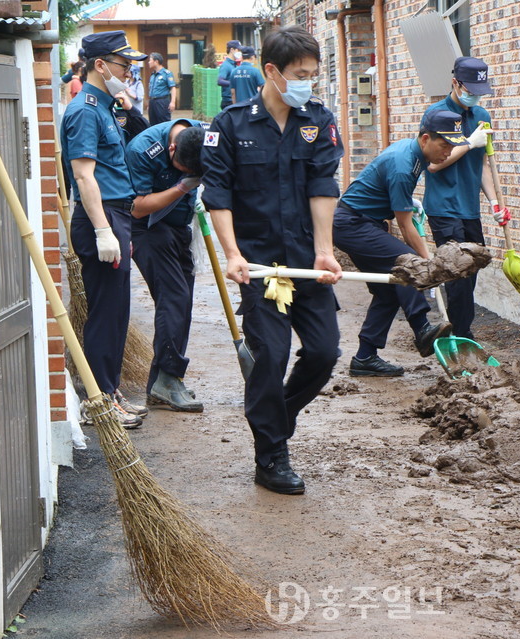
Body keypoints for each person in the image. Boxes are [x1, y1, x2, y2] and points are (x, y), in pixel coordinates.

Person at [201, 26, 344, 495]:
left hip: (305, 260)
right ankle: (271, 456)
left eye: (312, 75)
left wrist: (325, 250)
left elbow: (323, 187)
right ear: (271, 71)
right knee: (272, 355)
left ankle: (275, 416)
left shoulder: (318, 122)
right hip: (260, 266)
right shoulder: (231, 126)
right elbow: (217, 196)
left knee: (323, 353)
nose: (308, 83)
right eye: (300, 74)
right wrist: (232, 254)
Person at [60, 31, 148, 427]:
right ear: (100, 64)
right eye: (123, 65)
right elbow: (83, 175)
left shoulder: (105, 106)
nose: (127, 73)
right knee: (104, 313)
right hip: (102, 216)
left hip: (116, 216)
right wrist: (102, 230)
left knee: (115, 312)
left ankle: (109, 392)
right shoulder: (84, 110)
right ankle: (98, 400)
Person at [332, 110, 462, 377]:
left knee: (388, 290)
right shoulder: (405, 164)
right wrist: (428, 263)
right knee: (409, 265)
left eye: (452, 145)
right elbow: (405, 227)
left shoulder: (415, 154)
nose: (448, 152)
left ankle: (365, 357)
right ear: (426, 139)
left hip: (362, 222)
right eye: (444, 144)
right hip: (352, 224)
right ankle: (422, 328)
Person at [125, 119, 206, 413]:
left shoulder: (205, 138)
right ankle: (169, 378)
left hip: (178, 226)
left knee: (183, 300)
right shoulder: (143, 149)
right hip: (146, 227)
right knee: (174, 296)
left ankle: (163, 382)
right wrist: (182, 187)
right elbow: (136, 206)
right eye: (182, 170)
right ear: (171, 148)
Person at [422, 56, 504, 341]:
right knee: (457, 273)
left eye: (479, 91)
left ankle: (460, 329)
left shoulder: (482, 117)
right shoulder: (435, 115)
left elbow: (482, 165)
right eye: (469, 89)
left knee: (472, 269)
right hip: (443, 206)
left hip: (470, 208)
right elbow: (433, 164)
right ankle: (460, 335)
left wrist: (493, 202)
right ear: (455, 83)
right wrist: (469, 143)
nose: (474, 96)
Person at [146, 52, 176, 125]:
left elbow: (172, 88)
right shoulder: (153, 75)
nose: (148, 62)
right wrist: (149, 104)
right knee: (152, 124)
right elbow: (151, 89)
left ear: (156, 61)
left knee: (163, 123)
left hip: (162, 101)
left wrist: (173, 102)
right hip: (153, 102)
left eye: (150, 60)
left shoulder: (166, 73)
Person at [216, 39, 242, 110]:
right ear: (232, 50)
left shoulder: (235, 65)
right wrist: (234, 83)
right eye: (238, 50)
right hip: (228, 101)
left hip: (236, 99)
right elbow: (220, 81)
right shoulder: (226, 65)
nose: (239, 52)